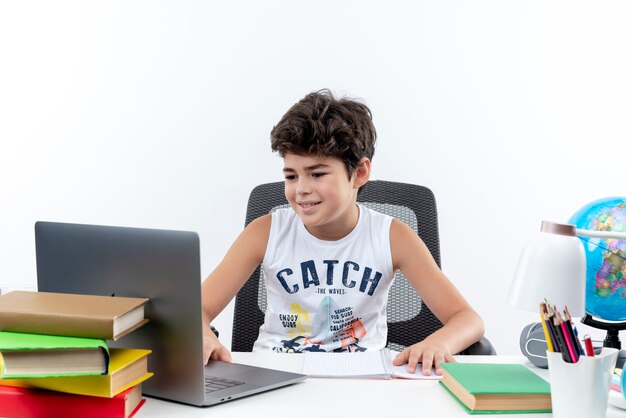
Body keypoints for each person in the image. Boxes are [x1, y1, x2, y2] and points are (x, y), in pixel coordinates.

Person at [201, 89, 484, 375]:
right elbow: (197, 310)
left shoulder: (392, 237)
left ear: (359, 173)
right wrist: (203, 335)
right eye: (291, 176)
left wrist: (438, 343)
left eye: (317, 173)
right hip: (275, 376)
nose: (301, 189)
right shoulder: (265, 232)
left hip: (362, 379)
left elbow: (467, 318)